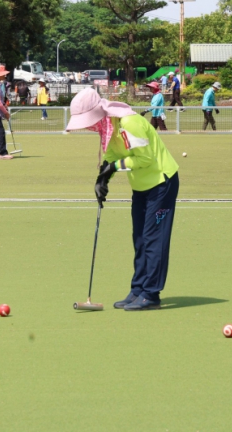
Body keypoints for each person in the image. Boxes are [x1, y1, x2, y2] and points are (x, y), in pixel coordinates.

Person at [66, 88, 180, 311]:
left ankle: (151, 293)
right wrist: (103, 176)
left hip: (161, 183)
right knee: (139, 239)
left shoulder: (129, 123)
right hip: (141, 187)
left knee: (152, 239)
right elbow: (112, 154)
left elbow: (144, 159)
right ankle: (138, 289)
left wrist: (115, 167)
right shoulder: (109, 127)